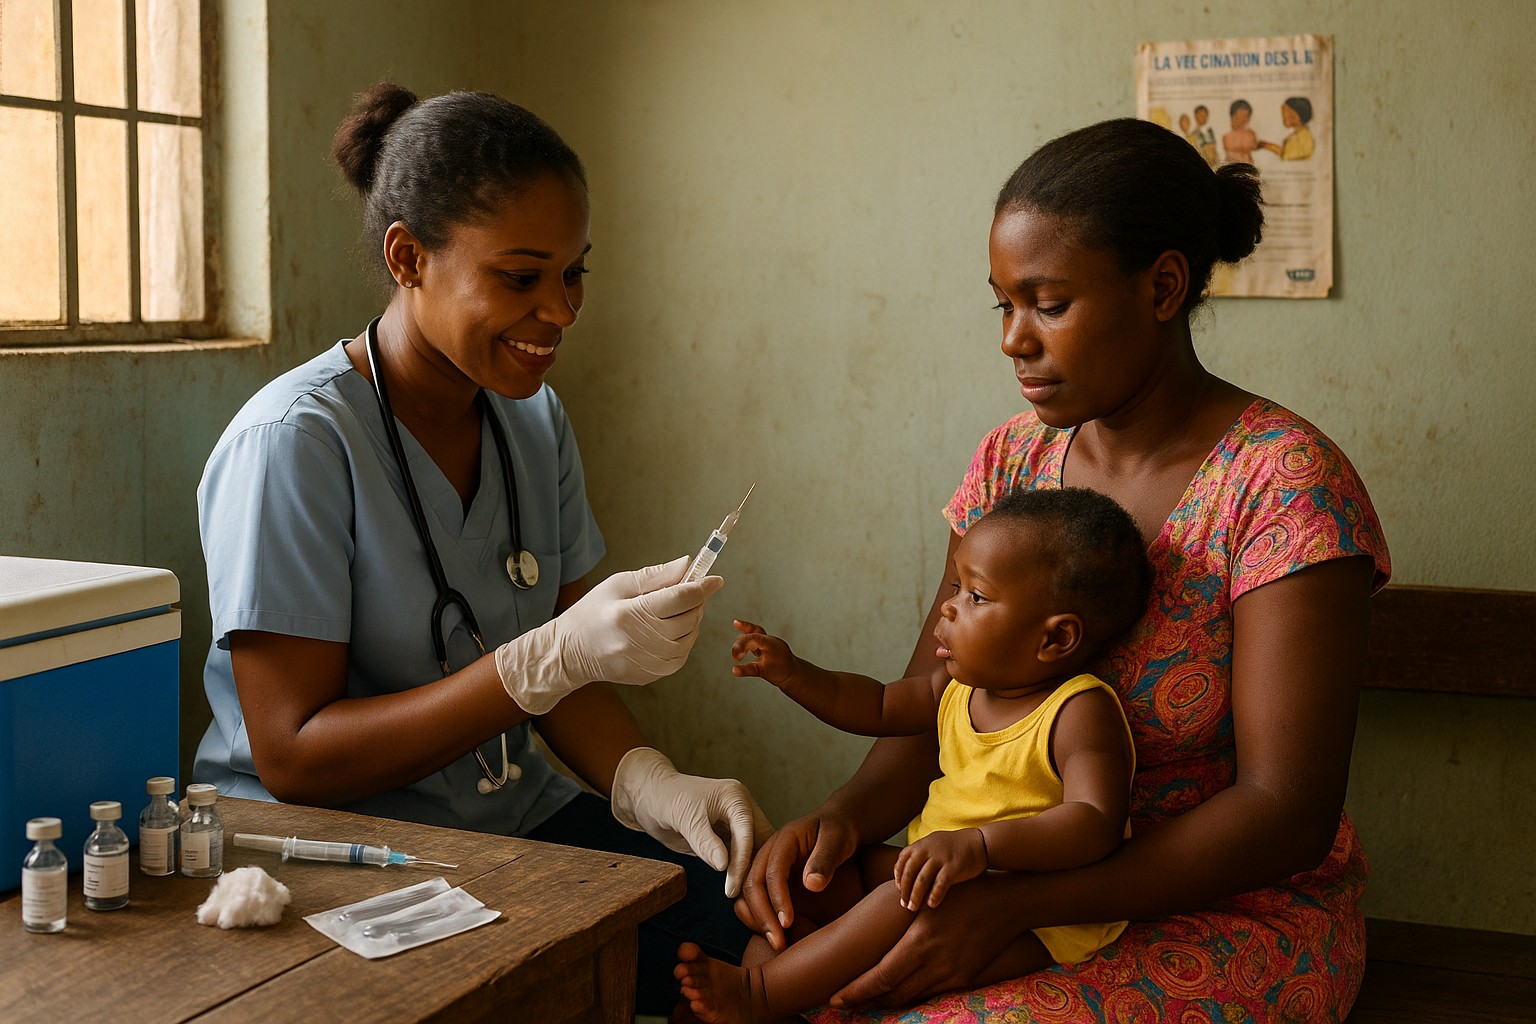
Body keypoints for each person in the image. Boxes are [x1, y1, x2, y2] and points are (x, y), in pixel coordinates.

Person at [736, 117, 1390, 1023]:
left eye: (1048, 303)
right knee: (781, 946)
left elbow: (1283, 814)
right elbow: (937, 696)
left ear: (1162, 287)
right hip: (995, 880)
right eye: (1001, 304)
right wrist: (845, 820)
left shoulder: (1282, 484)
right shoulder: (1012, 466)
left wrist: (1019, 902)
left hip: (1221, 912)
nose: (1013, 339)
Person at [194, 82, 765, 1015]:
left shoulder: (531, 422)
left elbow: (570, 669)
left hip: (511, 821)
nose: (561, 312)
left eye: (575, 273)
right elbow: (293, 757)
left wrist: (650, 785)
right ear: (408, 258)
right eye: (521, 277)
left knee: (782, 939)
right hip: (321, 846)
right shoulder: (294, 444)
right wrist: (544, 657)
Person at [675, 488, 1154, 1023]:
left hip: (1032, 914)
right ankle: (768, 994)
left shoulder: (1078, 709)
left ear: (1056, 638)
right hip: (936, 874)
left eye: (977, 596)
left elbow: (1094, 822)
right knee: (814, 877)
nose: (948, 606)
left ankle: (759, 993)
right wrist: (795, 673)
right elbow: (874, 704)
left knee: (891, 900)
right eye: (956, 585)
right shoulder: (955, 688)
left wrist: (981, 846)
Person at [1259, 96, 1316, 160]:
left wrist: (1265, 145)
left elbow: (1287, 154)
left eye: (1287, 113)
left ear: (1296, 116)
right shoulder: (1297, 133)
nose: (1284, 117)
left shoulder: (1305, 136)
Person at [1223, 99, 1258, 164]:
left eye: (1245, 117)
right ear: (1233, 117)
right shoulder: (1226, 137)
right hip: (1231, 169)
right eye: (1240, 117)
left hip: (1247, 168)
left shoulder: (1250, 134)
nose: (1243, 120)